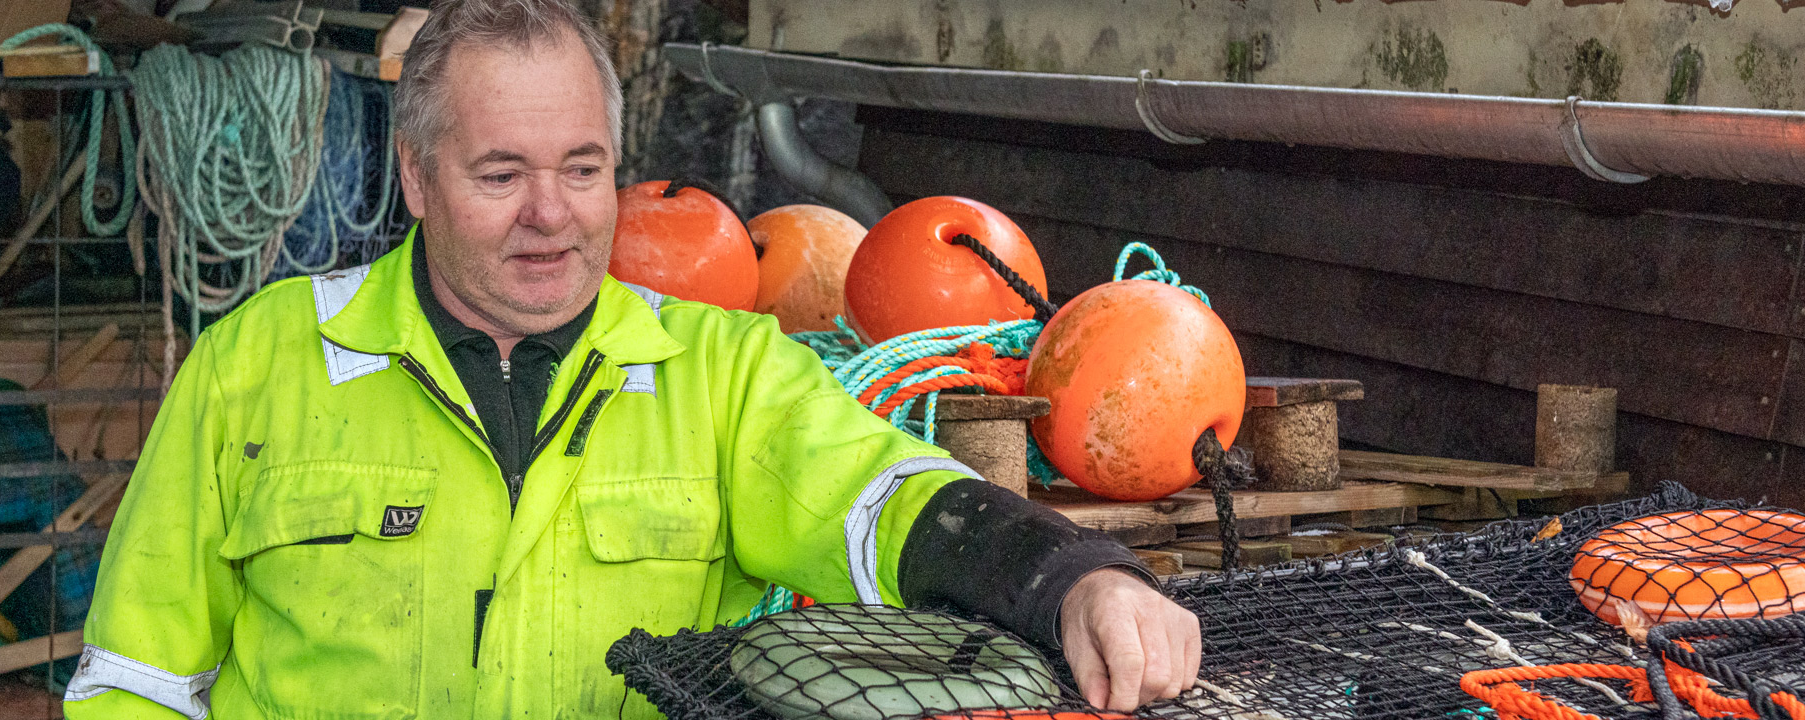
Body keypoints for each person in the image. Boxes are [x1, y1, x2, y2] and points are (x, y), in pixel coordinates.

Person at [63, 1, 1200, 717]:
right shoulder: (257, 363)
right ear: (415, 179)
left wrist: (1074, 580)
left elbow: (884, 502)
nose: (551, 215)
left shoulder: (720, 372)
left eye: (583, 167)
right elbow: (137, 683)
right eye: (500, 173)